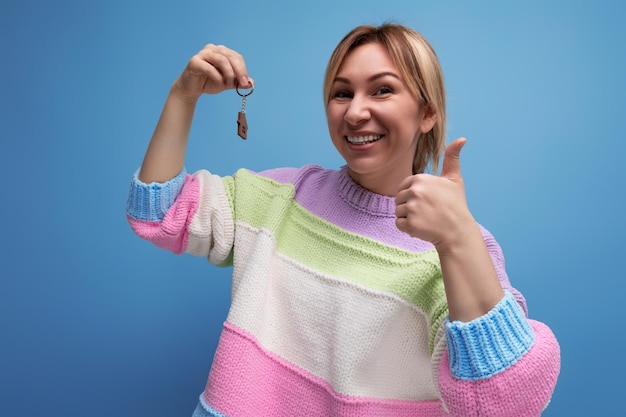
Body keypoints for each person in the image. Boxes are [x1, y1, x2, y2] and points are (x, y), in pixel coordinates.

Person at [126, 23, 560, 417]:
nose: (355, 112)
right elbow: (159, 213)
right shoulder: (279, 199)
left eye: (382, 90)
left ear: (427, 113)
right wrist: (182, 96)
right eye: (342, 93)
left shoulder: (459, 246)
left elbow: (505, 404)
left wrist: (458, 239)